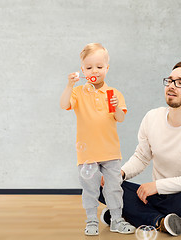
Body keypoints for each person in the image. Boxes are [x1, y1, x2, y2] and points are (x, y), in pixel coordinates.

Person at [99, 61, 181, 236]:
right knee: (101, 183)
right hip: (155, 198)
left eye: (180, 82)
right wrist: (120, 174)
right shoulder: (152, 117)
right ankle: (160, 222)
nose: (172, 86)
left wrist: (158, 186)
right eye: (170, 81)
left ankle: (129, 215)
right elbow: (141, 157)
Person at [60, 43, 135, 236]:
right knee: (90, 189)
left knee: (114, 189)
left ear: (107, 68)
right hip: (87, 153)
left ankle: (117, 219)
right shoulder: (78, 93)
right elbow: (63, 104)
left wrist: (117, 107)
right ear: (83, 70)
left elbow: (120, 118)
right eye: (89, 67)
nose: (95, 71)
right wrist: (70, 85)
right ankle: (91, 220)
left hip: (111, 152)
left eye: (100, 67)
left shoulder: (113, 94)